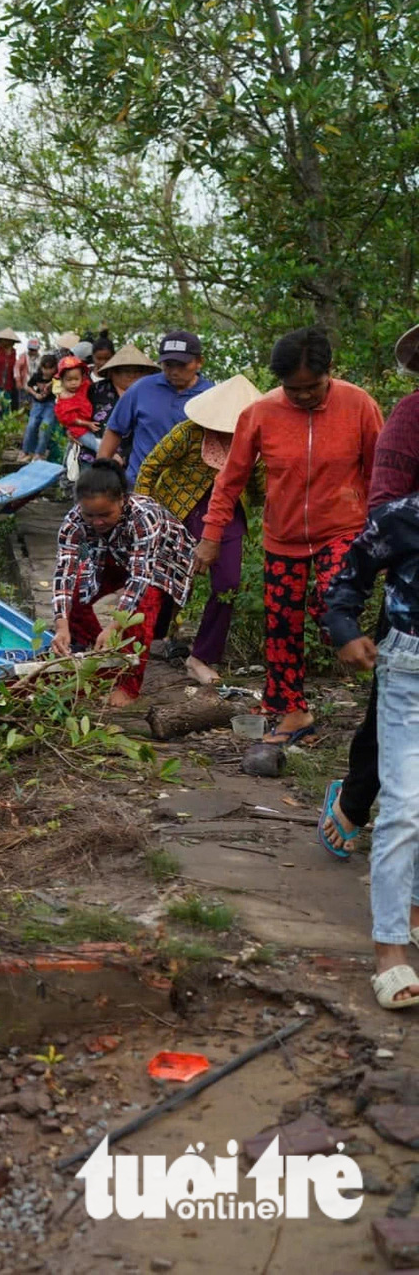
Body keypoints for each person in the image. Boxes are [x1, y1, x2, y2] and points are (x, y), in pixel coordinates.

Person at [196, 326, 382, 748]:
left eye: (311, 388)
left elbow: (378, 474)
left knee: (333, 599)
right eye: (291, 389)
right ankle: (294, 711)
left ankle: (365, 662)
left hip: (344, 527)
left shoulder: (358, 405)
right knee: (281, 624)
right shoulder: (260, 413)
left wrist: (383, 533)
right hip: (283, 536)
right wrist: (211, 534)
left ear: (329, 372)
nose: (302, 397)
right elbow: (230, 480)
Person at [322, 323, 419, 860]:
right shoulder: (410, 416)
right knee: (390, 716)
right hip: (411, 599)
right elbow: (383, 509)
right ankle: (355, 805)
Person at [321, 488, 419, 1007]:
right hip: (410, 669)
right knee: (404, 808)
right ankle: (390, 951)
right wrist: (344, 629)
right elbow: (347, 580)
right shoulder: (404, 518)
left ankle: (414, 913)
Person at [134, 374, 265, 685]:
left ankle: (201, 656)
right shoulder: (189, 434)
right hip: (181, 510)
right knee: (172, 579)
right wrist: (143, 509)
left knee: (228, 584)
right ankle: (149, 637)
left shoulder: (257, 443)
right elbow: (151, 466)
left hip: (229, 515)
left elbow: (261, 487)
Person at [49, 461, 196, 708]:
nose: (96, 522)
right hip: (111, 554)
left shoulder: (143, 515)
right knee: (76, 595)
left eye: (105, 514)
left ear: (122, 500)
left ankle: (129, 685)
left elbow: (140, 578)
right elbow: (65, 573)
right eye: (90, 515)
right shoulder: (73, 522)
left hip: (162, 560)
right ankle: (100, 658)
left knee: (141, 612)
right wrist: (61, 627)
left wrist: (115, 626)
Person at [97, 330, 215, 483]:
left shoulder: (212, 395)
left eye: (182, 365)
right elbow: (115, 430)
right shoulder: (141, 389)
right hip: (141, 485)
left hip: (189, 489)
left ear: (199, 362)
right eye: (168, 365)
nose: (174, 371)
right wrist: (100, 474)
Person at [21, 352, 62, 460]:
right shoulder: (37, 376)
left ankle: (39, 453)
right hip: (37, 404)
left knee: (45, 427)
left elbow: (61, 382)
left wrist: (52, 384)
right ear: (41, 367)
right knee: (31, 426)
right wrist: (35, 394)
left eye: (50, 368)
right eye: (45, 368)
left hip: (51, 404)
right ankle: (27, 451)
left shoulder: (57, 378)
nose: (48, 371)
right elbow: (28, 386)